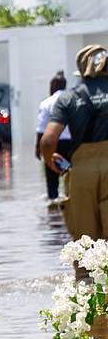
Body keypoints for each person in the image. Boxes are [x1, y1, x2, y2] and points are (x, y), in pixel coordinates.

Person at [41, 44, 108, 244]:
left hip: (82, 173)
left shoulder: (68, 98)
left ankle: (85, 275)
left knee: (85, 242)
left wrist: (51, 162)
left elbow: (48, 141)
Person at [35, 71, 72, 202]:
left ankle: (53, 208)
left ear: (55, 85)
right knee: (71, 175)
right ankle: (70, 202)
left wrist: (38, 148)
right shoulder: (73, 100)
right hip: (71, 144)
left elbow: (41, 129)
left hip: (53, 144)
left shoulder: (46, 103)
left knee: (51, 178)